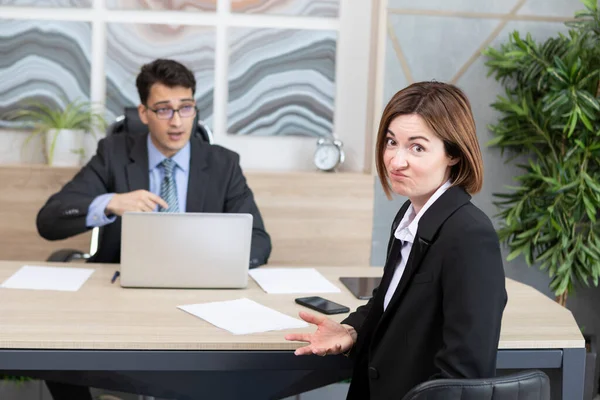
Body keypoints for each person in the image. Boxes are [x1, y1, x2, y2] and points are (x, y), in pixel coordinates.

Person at [37, 58, 272, 400]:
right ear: (143, 113)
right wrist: (110, 202)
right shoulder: (114, 153)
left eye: (185, 108)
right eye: (163, 109)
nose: (177, 122)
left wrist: (218, 262)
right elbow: (49, 219)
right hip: (120, 298)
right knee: (52, 344)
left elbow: (260, 242)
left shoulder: (223, 163)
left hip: (203, 301)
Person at [285, 82, 507, 399]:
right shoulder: (411, 215)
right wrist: (351, 329)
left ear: (453, 154)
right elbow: (390, 302)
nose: (395, 161)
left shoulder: (469, 234)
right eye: (392, 142)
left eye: (417, 147)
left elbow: (465, 375)